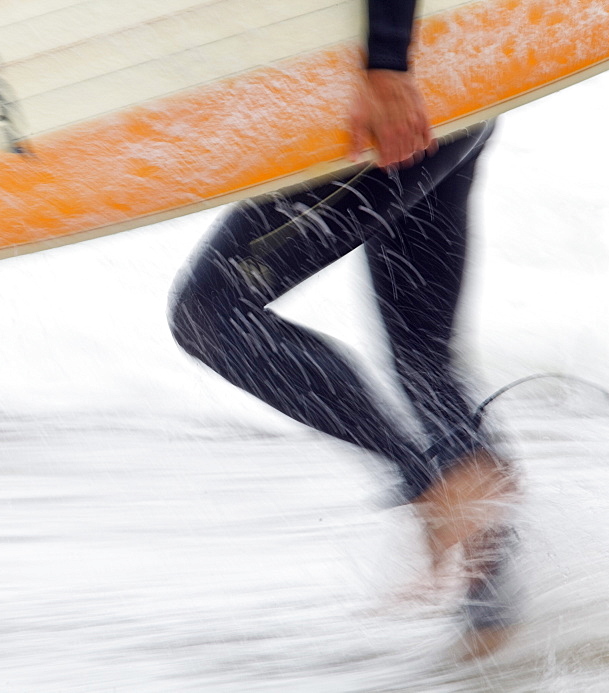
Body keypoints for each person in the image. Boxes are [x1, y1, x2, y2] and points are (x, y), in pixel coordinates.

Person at [168, 0, 521, 657]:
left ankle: (430, 482)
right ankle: (492, 631)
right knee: (423, 360)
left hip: (391, 94)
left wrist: (386, 63)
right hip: (460, 74)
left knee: (210, 311)